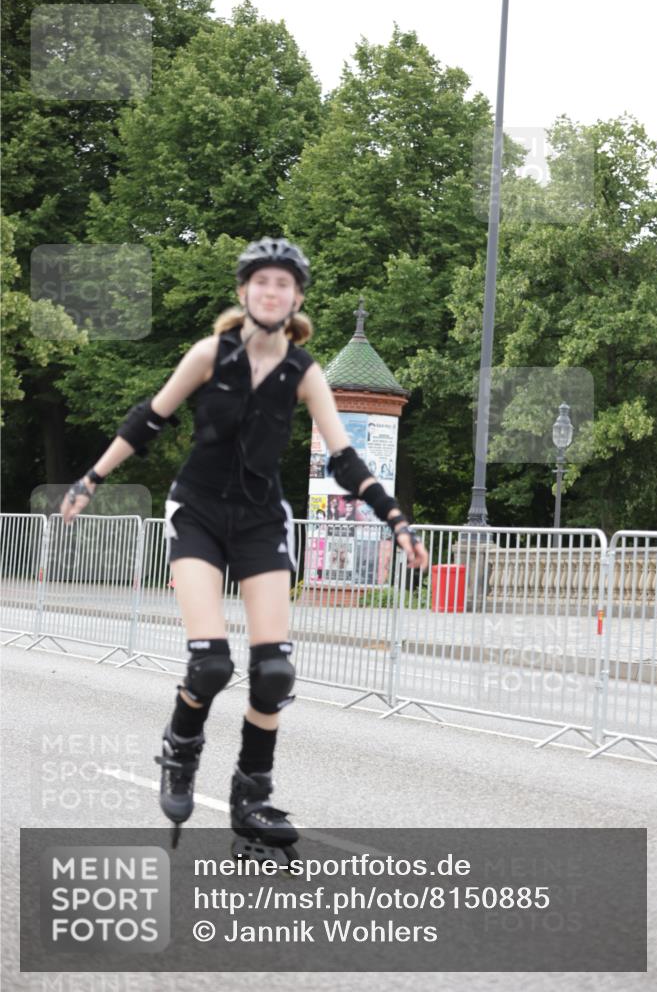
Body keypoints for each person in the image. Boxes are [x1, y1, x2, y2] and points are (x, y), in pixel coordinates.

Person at [60, 237, 429, 858]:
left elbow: (343, 458)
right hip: (199, 511)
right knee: (210, 664)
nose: (271, 291)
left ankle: (250, 798)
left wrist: (394, 518)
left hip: (260, 519)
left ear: (297, 298)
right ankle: (180, 754)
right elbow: (148, 419)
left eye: (283, 283)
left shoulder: (304, 372)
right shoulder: (211, 354)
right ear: (244, 292)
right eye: (261, 281)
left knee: (273, 673)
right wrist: (90, 479)